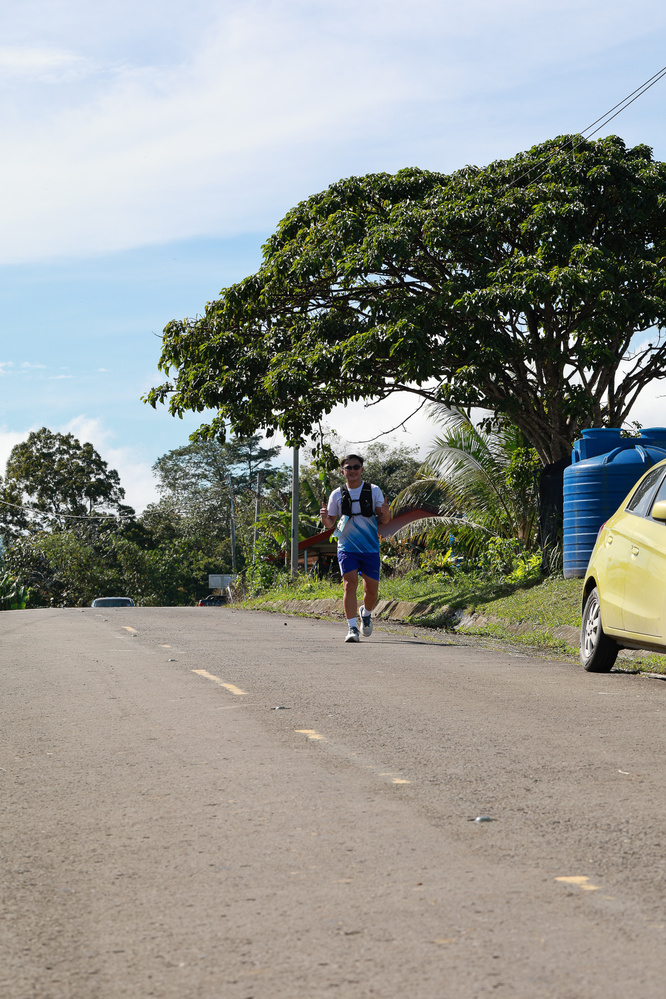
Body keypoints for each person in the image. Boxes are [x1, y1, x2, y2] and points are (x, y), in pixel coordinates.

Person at [320, 454, 391, 643]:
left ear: (362, 470)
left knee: (372, 591)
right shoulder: (336, 494)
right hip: (346, 546)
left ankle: (365, 613)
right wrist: (324, 518)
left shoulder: (373, 490)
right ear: (342, 471)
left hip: (370, 548)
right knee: (349, 584)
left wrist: (386, 512)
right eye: (348, 467)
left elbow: (384, 520)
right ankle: (352, 628)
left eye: (356, 467)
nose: (352, 470)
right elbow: (330, 523)